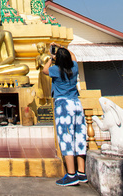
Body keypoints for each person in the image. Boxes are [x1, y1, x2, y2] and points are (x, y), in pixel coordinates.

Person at [43, 43, 87, 187]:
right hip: (76, 103)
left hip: (63, 106)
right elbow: (73, 56)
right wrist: (63, 47)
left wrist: (51, 58)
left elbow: (44, 70)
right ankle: (81, 172)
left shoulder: (55, 69)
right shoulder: (74, 68)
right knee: (79, 135)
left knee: (66, 137)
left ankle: (71, 174)